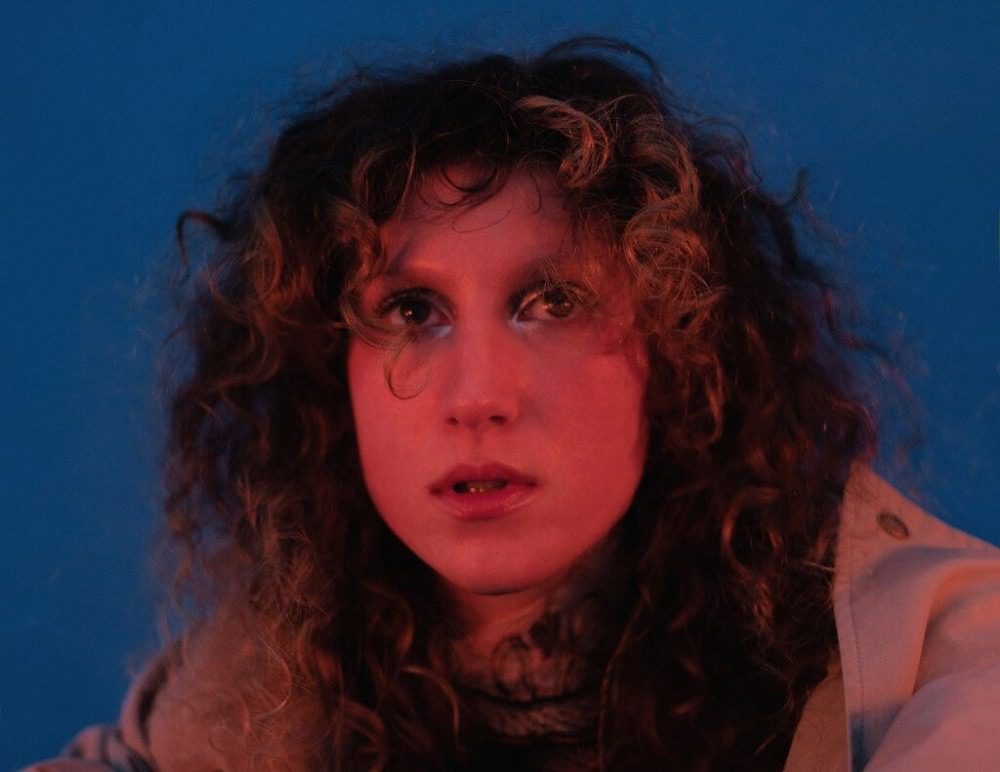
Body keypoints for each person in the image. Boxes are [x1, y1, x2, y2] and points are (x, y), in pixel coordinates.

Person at [27, 37, 1000, 771]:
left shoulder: (934, 656)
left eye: (553, 303)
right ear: (332, 379)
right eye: (411, 311)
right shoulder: (248, 693)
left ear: (679, 350)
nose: (478, 397)